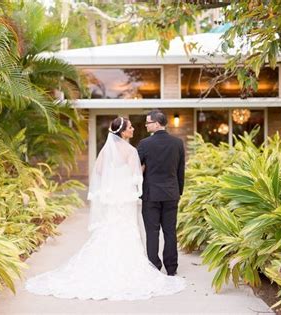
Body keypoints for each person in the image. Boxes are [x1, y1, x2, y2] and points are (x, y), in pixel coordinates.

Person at [25, 117, 186, 300]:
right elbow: (137, 177)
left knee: (134, 230)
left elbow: (100, 172)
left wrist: (118, 179)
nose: (134, 128)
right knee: (154, 231)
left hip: (114, 199)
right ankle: (169, 269)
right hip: (132, 198)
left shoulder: (109, 150)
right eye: (131, 127)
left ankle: (144, 265)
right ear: (124, 131)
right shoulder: (135, 149)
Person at [137, 110, 185, 276]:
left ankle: (154, 267)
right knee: (170, 231)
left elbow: (136, 169)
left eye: (148, 122)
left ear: (157, 123)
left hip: (151, 194)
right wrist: (179, 191)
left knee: (152, 232)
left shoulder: (144, 144)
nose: (146, 125)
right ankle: (171, 268)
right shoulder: (177, 143)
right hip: (171, 193)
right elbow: (181, 171)